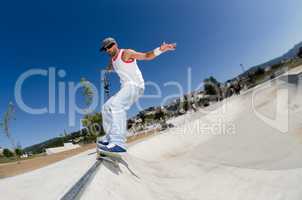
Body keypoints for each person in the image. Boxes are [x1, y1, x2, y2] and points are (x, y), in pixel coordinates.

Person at [97, 37, 176, 153]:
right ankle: (110, 137)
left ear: (115, 44)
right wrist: (105, 75)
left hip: (136, 86)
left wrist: (161, 49)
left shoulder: (127, 53)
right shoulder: (112, 60)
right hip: (125, 88)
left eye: (109, 46)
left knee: (116, 105)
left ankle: (119, 143)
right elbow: (111, 65)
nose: (107, 50)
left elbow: (146, 56)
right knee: (105, 108)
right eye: (105, 49)